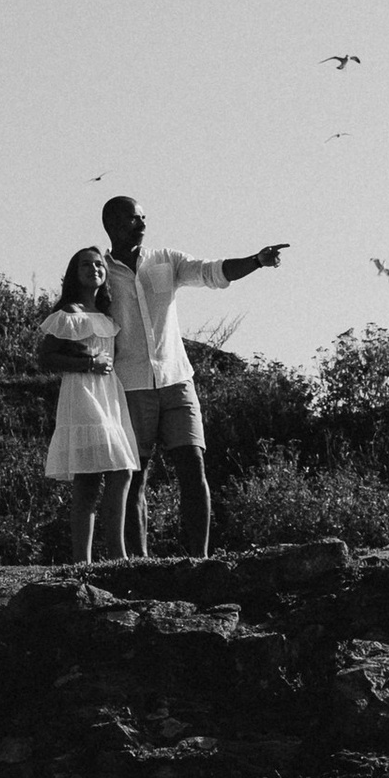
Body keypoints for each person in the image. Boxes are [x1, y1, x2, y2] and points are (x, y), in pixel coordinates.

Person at [100, 194, 286, 559]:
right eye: (135, 218)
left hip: (177, 379)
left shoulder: (166, 259)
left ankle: (198, 560)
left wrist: (256, 261)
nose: (143, 224)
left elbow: (212, 272)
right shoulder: (101, 271)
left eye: (143, 217)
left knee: (193, 465)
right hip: (131, 386)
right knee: (135, 477)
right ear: (113, 224)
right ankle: (138, 563)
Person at [35, 243, 137, 563]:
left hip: (109, 394)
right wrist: (87, 364)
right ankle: (85, 562)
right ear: (74, 275)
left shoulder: (106, 316)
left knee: (121, 471)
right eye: (85, 266)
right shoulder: (68, 315)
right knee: (91, 478)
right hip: (82, 392)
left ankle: (115, 556)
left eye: (98, 265)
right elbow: (46, 357)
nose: (94, 269)